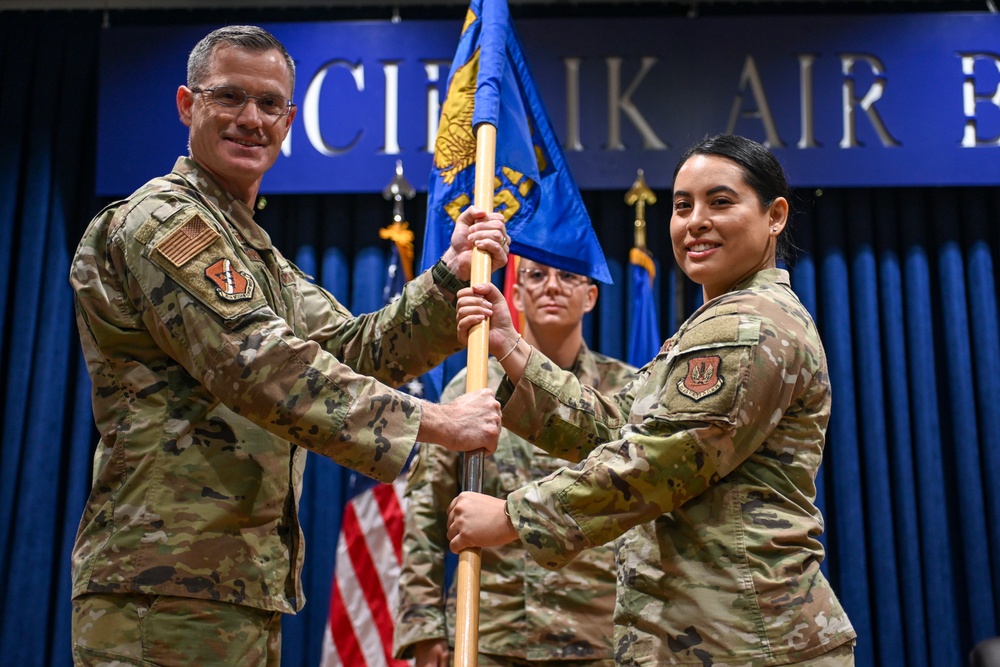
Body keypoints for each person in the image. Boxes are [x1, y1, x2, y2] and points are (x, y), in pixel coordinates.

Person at [68, 25, 508, 667]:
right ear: (188, 105)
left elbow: (357, 352)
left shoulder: (254, 253)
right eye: (230, 98)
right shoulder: (162, 220)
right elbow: (259, 362)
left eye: (270, 104)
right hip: (161, 588)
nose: (252, 119)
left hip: (237, 586)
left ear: (290, 120)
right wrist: (438, 422)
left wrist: (447, 275)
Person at [447, 134, 858, 666]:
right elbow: (617, 427)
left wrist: (513, 516)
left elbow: (657, 462)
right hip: (711, 637)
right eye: (682, 206)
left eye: (721, 201)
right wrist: (511, 348)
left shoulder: (748, 326)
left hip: (749, 641)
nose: (695, 221)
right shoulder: (714, 323)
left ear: (775, 215)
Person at [394, 259, 637, 667]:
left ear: (591, 296)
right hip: (490, 631)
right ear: (518, 293)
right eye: (537, 275)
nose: (552, 287)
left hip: (597, 632)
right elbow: (426, 513)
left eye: (568, 276)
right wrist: (425, 626)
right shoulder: (472, 389)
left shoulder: (624, 394)